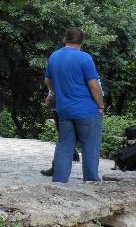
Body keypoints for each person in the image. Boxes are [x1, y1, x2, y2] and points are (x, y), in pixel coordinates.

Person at [44, 28, 105, 183]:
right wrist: (101, 105)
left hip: (64, 109)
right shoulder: (85, 58)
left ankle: (59, 180)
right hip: (87, 110)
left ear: (65, 39)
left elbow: (48, 80)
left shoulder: (54, 56)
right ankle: (91, 180)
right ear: (82, 41)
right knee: (90, 146)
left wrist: (54, 92)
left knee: (64, 146)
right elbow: (94, 85)